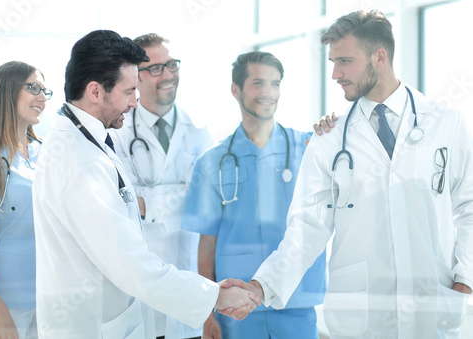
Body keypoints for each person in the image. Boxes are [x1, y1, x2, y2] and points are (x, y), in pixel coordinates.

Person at [243, 9, 473, 339]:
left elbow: (469, 208)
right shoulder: (329, 138)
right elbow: (307, 228)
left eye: (345, 61)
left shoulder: (447, 124)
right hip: (359, 316)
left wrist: (465, 280)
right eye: (332, 62)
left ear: (379, 56)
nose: (335, 73)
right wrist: (262, 285)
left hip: (433, 306)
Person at [32, 29, 259, 339]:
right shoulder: (79, 161)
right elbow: (127, 262)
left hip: (125, 309)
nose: (134, 102)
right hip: (90, 323)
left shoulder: (88, 143)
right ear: (96, 92)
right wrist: (214, 296)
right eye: (128, 92)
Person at [182, 51, 326, 339]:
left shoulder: (309, 148)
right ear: (236, 90)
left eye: (275, 84)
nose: (269, 93)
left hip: (295, 303)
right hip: (236, 309)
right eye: (259, 83)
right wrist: (207, 315)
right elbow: (206, 246)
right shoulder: (213, 162)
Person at [108, 33, 212, 339]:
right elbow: (118, 203)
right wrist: (177, 195)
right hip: (138, 287)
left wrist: (146, 203)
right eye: (155, 68)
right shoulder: (117, 132)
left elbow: (203, 201)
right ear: (134, 77)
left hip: (188, 283)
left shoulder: (200, 131)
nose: (167, 75)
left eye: (171, 65)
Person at [0, 61, 52, 338]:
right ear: (3, 91)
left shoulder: (49, 153)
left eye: (45, 91)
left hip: (50, 300)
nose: (42, 97)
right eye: (33, 88)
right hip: (6, 304)